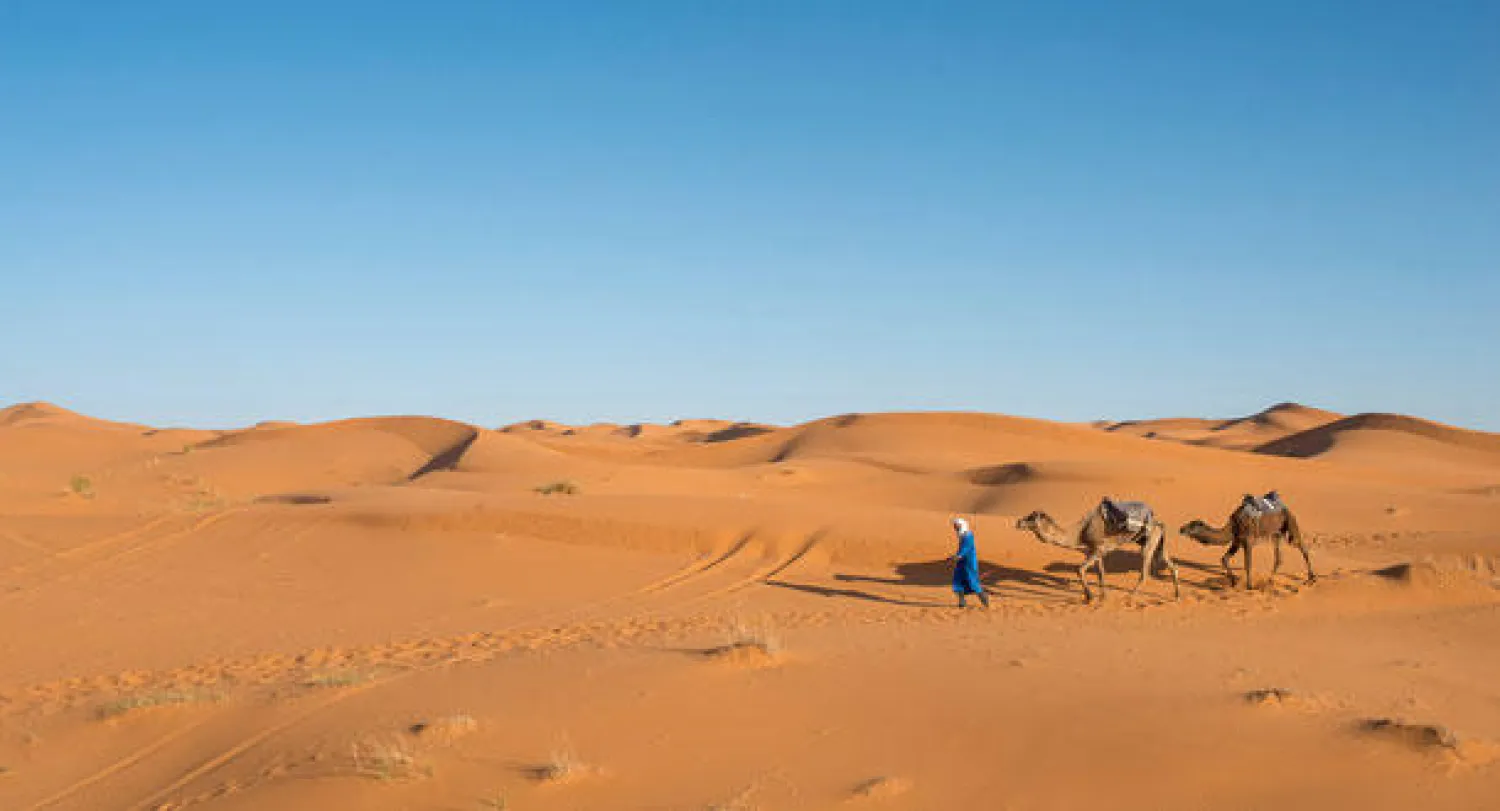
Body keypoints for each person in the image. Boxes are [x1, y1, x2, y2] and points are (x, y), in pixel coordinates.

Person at [949, 517, 989, 608]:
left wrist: (957, 556)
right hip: (961, 563)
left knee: (973, 582)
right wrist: (957, 556)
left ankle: (984, 599)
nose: (955, 528)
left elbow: (966, 549)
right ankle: (962, 602)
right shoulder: (963, 535)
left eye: (957, 526)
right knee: (958, 581)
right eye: (955, 526)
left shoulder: (968, 536)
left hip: (969, 563)